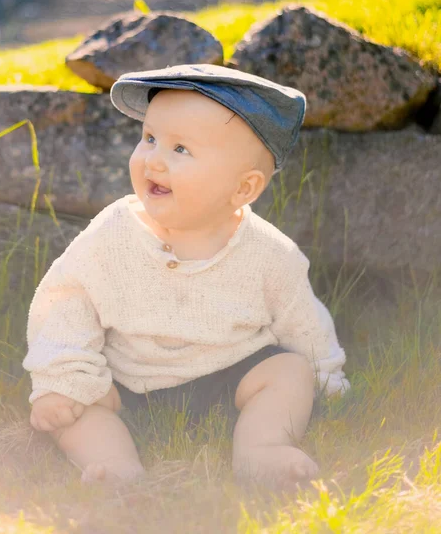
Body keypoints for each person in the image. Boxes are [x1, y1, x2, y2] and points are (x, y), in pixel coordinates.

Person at [23, 64, 350, 489]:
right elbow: (69, 301)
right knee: (79, 407)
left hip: (231, 377)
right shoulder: (113, 234)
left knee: (290, 372)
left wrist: (327, 380)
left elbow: (302, 320)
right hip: (129, 382)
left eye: (180, 150)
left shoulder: (269, 254)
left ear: (243, 189)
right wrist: (62, 380)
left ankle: (262, 448)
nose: (153, 159)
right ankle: (113, 466)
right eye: (150, 139)